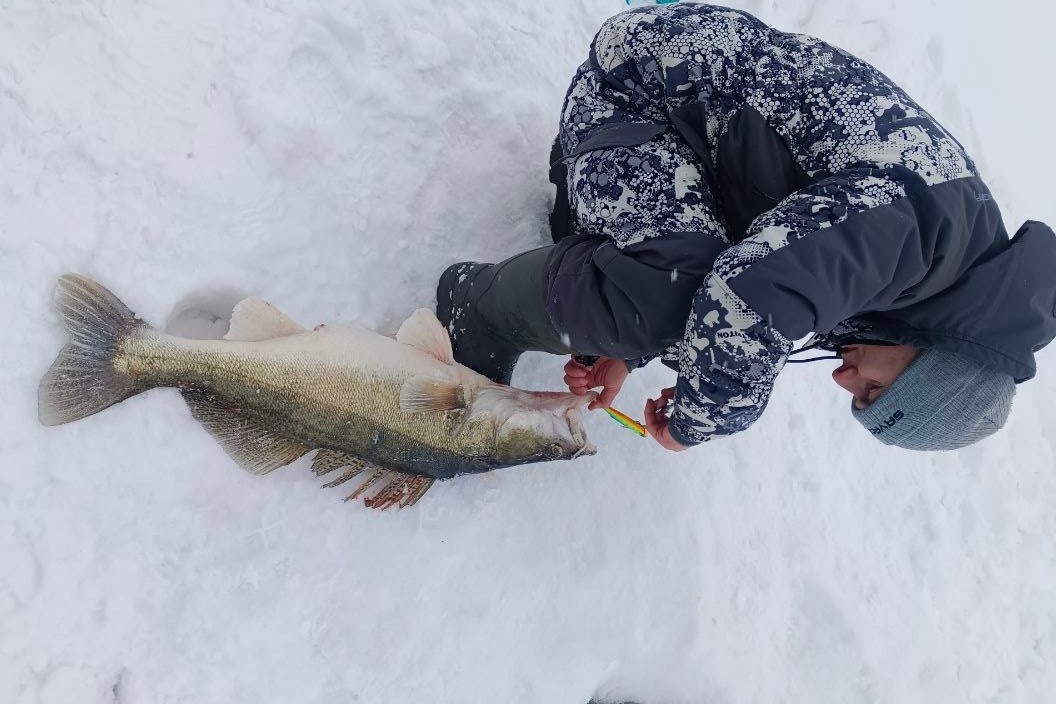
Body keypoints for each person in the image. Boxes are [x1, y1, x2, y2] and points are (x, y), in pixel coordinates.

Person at [436, 4, 1056, 452]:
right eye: (871, 389)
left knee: (693, 332)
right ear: (932, 360)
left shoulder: (940, 270)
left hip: (700, 143)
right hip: (642, 85)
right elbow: (747, 294)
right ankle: (477, 308)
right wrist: (696, 422)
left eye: (855, 397)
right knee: (680, 305)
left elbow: (762, 285)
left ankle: (590, 239)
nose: (844, 379)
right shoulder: (916, 237)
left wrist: (624, 348)